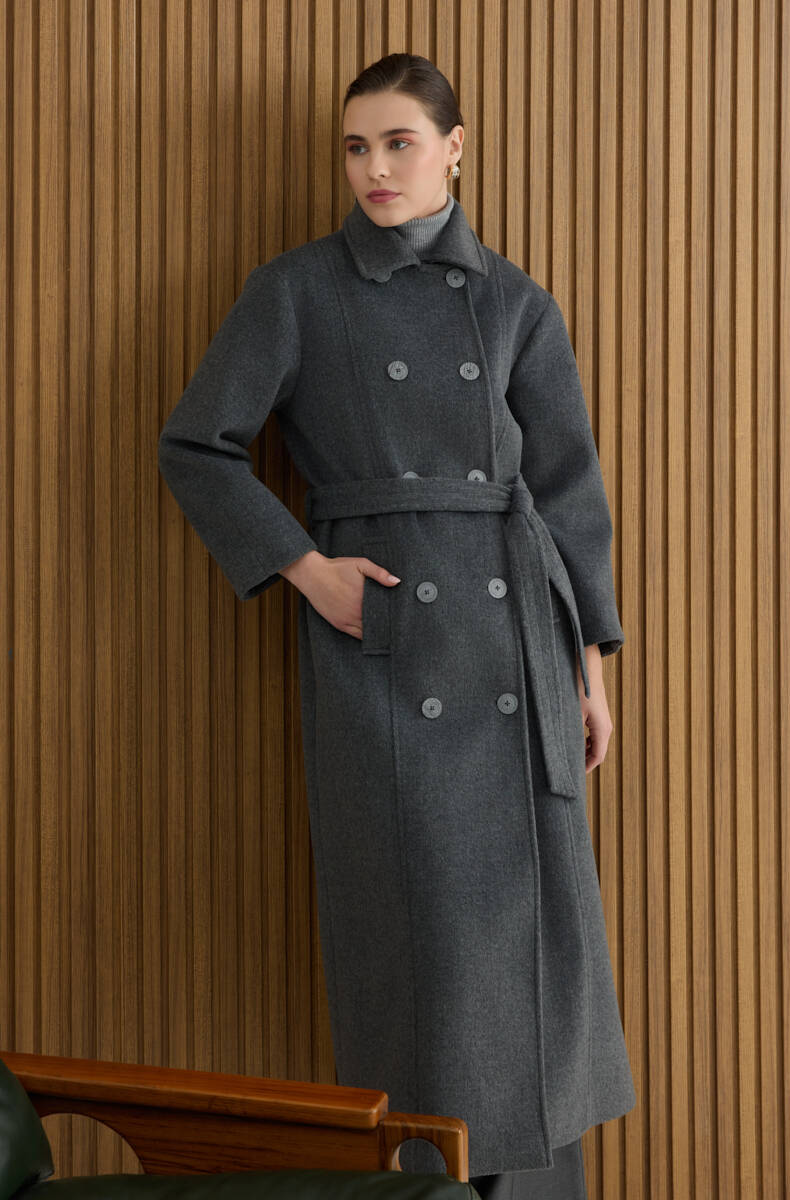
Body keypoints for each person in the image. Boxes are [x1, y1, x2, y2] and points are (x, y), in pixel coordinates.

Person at [158, 51, 635, 1200]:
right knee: (424, 956)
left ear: (452, 149)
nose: (373, 167)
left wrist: (588, 668)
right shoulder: (296, 290)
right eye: (355, 147)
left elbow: (567, 496)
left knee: (534, 956)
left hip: (517, 639)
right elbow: (196, 445)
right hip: (387, 648)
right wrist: (307, 571)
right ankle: (425, 1188)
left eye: (397, 142)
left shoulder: (514, 301)